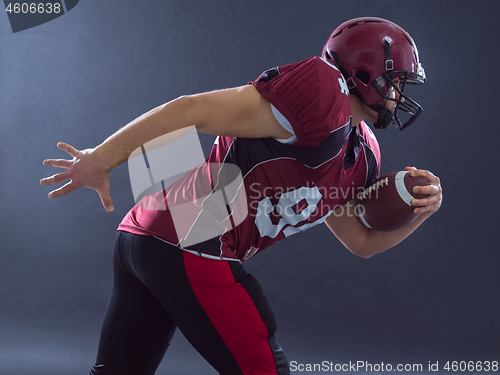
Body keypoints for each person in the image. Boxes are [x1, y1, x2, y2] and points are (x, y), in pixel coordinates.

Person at [40, 17, 442, 375]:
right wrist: (104, 158)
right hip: (192, 241)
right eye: (398, 83)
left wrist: (421, 210)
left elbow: (362, 242)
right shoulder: (322, 94)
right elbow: (190, 109)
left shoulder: (362, 155)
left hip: (145, 236)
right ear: (366, 74)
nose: (399, 96)